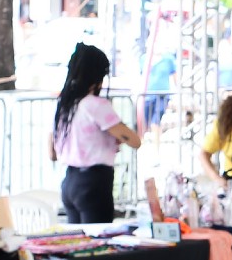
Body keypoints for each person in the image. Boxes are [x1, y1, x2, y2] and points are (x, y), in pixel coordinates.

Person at [49, 44, 140, 225]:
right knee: (99, 244)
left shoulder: (64, 105)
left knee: (78, 245)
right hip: (93, 182)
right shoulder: (95, 105)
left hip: (70, 181)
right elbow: (134, 141)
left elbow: (51, 153)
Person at [143, 50, 177, 133]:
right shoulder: (144, 58)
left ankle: (156, 145)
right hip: (147, 96)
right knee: (145, 123)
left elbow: (175, 76)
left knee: (156, 122)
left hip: (163, 96)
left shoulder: (168, 59)